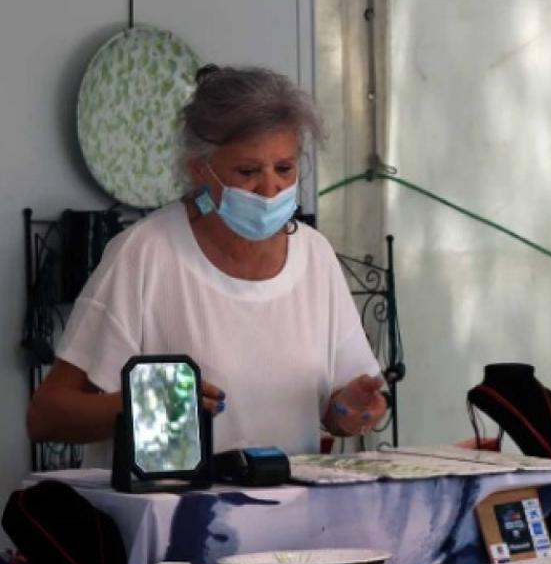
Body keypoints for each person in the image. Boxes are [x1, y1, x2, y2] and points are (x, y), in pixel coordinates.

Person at [27, 65, 386, 465]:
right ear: (201, 170)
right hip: (173, 520)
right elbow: (46, 417)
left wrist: (350, 410)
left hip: (289, 518)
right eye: (248, 172)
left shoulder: (315, 256)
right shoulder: (145, 253)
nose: (270, 189)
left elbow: (337, 411)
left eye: (284, 169)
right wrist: (148, 405)